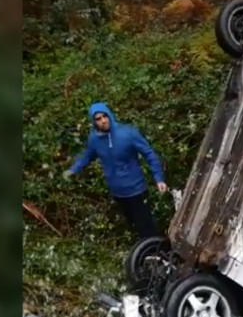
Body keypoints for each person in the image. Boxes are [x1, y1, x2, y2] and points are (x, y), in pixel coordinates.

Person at [63, 102, 167, 239]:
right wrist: (73, 169)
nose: (103, 121)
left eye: (104, 116)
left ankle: (156, 252)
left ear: (109, 115)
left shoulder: (127, 133)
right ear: (94, 122)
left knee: (146, 228)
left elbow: (149, 153)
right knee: (134, 226)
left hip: (136, 190)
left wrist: (158, 178)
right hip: (118, 193)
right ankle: (142, 256)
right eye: (98, 119)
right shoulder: (94, 139)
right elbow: (87, 156)